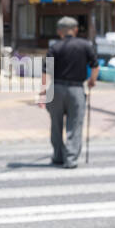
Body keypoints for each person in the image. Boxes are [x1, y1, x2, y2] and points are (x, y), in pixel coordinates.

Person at [41, 16, 98, 168]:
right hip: (76, 89)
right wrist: (92, 81)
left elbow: (46, 70)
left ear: (59, 31)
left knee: (56, 124)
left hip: (56, 88)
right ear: (76, 30)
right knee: (75, 124)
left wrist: (42, 91)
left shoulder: (55, 47)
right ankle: (71, 159)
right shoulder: (85, 45)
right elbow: (95, 66)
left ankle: (58, 156)